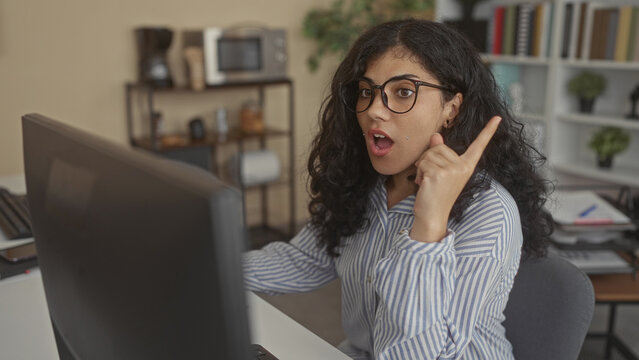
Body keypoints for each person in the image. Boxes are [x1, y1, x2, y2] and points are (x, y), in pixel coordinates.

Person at [243, 19, 552, 359]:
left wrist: (429, 222)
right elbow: (303, 260)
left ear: (451, 108)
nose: (374, 110)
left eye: (403, 91)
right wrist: (205, 269)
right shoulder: (364, 187)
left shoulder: (489, 213)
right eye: (366, 91)